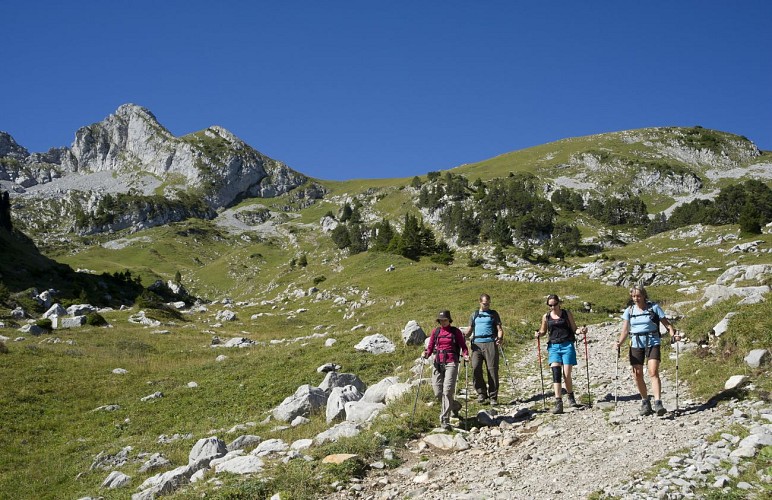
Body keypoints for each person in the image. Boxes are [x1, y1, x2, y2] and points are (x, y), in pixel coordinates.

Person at [615, 284, 680, 416]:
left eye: (638, 296)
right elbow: (625, 330)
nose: (636, 298)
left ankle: (658, 402)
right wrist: (619, 343)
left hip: (652, 341)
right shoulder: (630, 311)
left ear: (644, 296)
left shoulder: (654, 308)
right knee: (637, 374)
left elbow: (667, 324)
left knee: (653, 371)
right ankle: (645, 401)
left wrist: (674, 334)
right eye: (633, 296)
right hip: (636, 343)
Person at [535, 294, 587, 414]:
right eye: (550, 305)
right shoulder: (546, 316)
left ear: (559, 303)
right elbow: (543, 331)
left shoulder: (566, 314)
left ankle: (570, 396)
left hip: (567, 345)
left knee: (566, 374)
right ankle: (558, 402)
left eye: (555, 304)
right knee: (556, 372)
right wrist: (538, 334)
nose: (553, 307)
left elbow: (574, 329)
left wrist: (581, 331)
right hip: (553, 346)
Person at [423, 310, 469, 430]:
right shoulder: (436, 331)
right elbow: (430, 347)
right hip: (438, 362)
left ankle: (445, 420)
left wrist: (466, 355)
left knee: (447, 391)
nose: (443, 322)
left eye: (445, 320)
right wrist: (426, 354)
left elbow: (463, 346)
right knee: (438, 392)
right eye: (441, 320)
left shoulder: (455, 332)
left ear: (449, 320)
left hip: (451, 362)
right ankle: (455, 406)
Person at [467, 294, 504, 404]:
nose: (486, 305)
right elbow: (470, 329)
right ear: (480, 302)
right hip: (476, 344)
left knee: (492, 369)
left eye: (488, 303)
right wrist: (462, 336)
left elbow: (499, 329)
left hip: (490, 343)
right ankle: (481, 393)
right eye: (484, 304)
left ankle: (493, 396)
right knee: (475, 367)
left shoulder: (493, 314)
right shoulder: (474, 315)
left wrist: (500, 337)